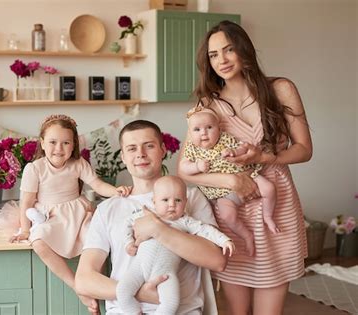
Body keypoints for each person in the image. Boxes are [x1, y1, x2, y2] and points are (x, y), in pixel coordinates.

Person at [177, 20, 312, 315]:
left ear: (244, 50)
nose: (222, 60)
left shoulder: (281, 89)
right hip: (232, 213)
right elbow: (184, 170)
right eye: (213, 55)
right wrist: (231, 181)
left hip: (275, 206)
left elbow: (304, 150)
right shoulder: (208, 105)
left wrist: (264, 158)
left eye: (228, 50)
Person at [75, 120, 227, 315]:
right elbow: (84, 279)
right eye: (132, 148)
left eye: (149, 146)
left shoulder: (191, 197)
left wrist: (159, 229)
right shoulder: (108, 209)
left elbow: (217, 260)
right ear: (122, 156)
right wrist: (139, 293)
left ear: (163, 150)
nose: (140, 154)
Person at [7, 114, 131, 307]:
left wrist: (116, 191)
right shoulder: (35, 168)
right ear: (42, 143)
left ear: (73, 145)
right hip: (51, 217)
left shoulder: (79, 164)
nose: (59, 148)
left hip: (79, 214)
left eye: (66, 143)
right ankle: (77, 285)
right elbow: (27, 202)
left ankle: (92, 280)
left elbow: (97, 185)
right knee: (38, 240)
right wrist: (25, 229)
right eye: (53, 142)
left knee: (98, 238)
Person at [117, 175, 234, 315]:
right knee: (122, 290)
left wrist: (224, 240)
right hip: (139, 268)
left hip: (166, 274)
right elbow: (126, 224)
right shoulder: (145, 215)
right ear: (154, 201)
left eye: (178, 200)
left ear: (185, 202)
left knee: (171, 302)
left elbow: (205, 230)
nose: (172, 204)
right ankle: (134, 312)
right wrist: (128, 243)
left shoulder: (185, 221)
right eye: (165, 200)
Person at [179, 107, 278, 256]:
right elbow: (183, 168)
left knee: (269, 188)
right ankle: (246, 235)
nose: (203, 133)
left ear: (219, 128)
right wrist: (196, 166)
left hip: (246, 175)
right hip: (222, 192)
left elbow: (240, 149)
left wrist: (233, 152)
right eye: (197, 130)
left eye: (209, 127)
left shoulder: (225, 139)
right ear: (190, 133)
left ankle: (268, 216)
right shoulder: (192, 149)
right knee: (227, 216)